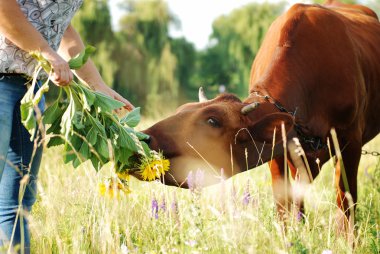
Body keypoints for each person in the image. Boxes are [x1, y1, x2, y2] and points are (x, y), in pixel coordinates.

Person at [0, 0, 134, 251]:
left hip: (30, 90)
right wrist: (48, 53)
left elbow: (62, 26)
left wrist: (99, 86)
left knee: (18, 203)